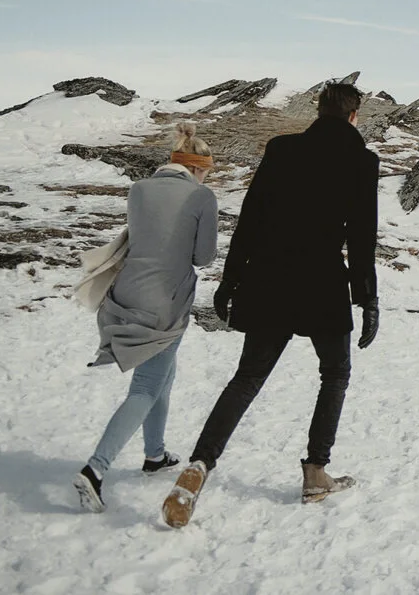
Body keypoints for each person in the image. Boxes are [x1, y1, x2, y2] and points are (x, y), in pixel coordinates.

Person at [162, 82, 380, 528]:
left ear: (318, 111)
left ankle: (199, 465)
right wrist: (368, 299)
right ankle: (316, 471)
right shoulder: (362, 161)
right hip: (322, 283)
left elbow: (252, 215)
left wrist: (230, 280)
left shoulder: (282, 149)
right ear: (355, 117)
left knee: (247, 379)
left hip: (270, 278)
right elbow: (361, 239)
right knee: (335, 373)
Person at [74, 122, 218, 513]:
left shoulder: (139, 189)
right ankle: (95, 469)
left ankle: (155, 454)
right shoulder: (201, 196)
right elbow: (202, 257)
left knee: (162, 377)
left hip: (124, 293)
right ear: (199, 168)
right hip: (164, 303)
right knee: (146, 386)